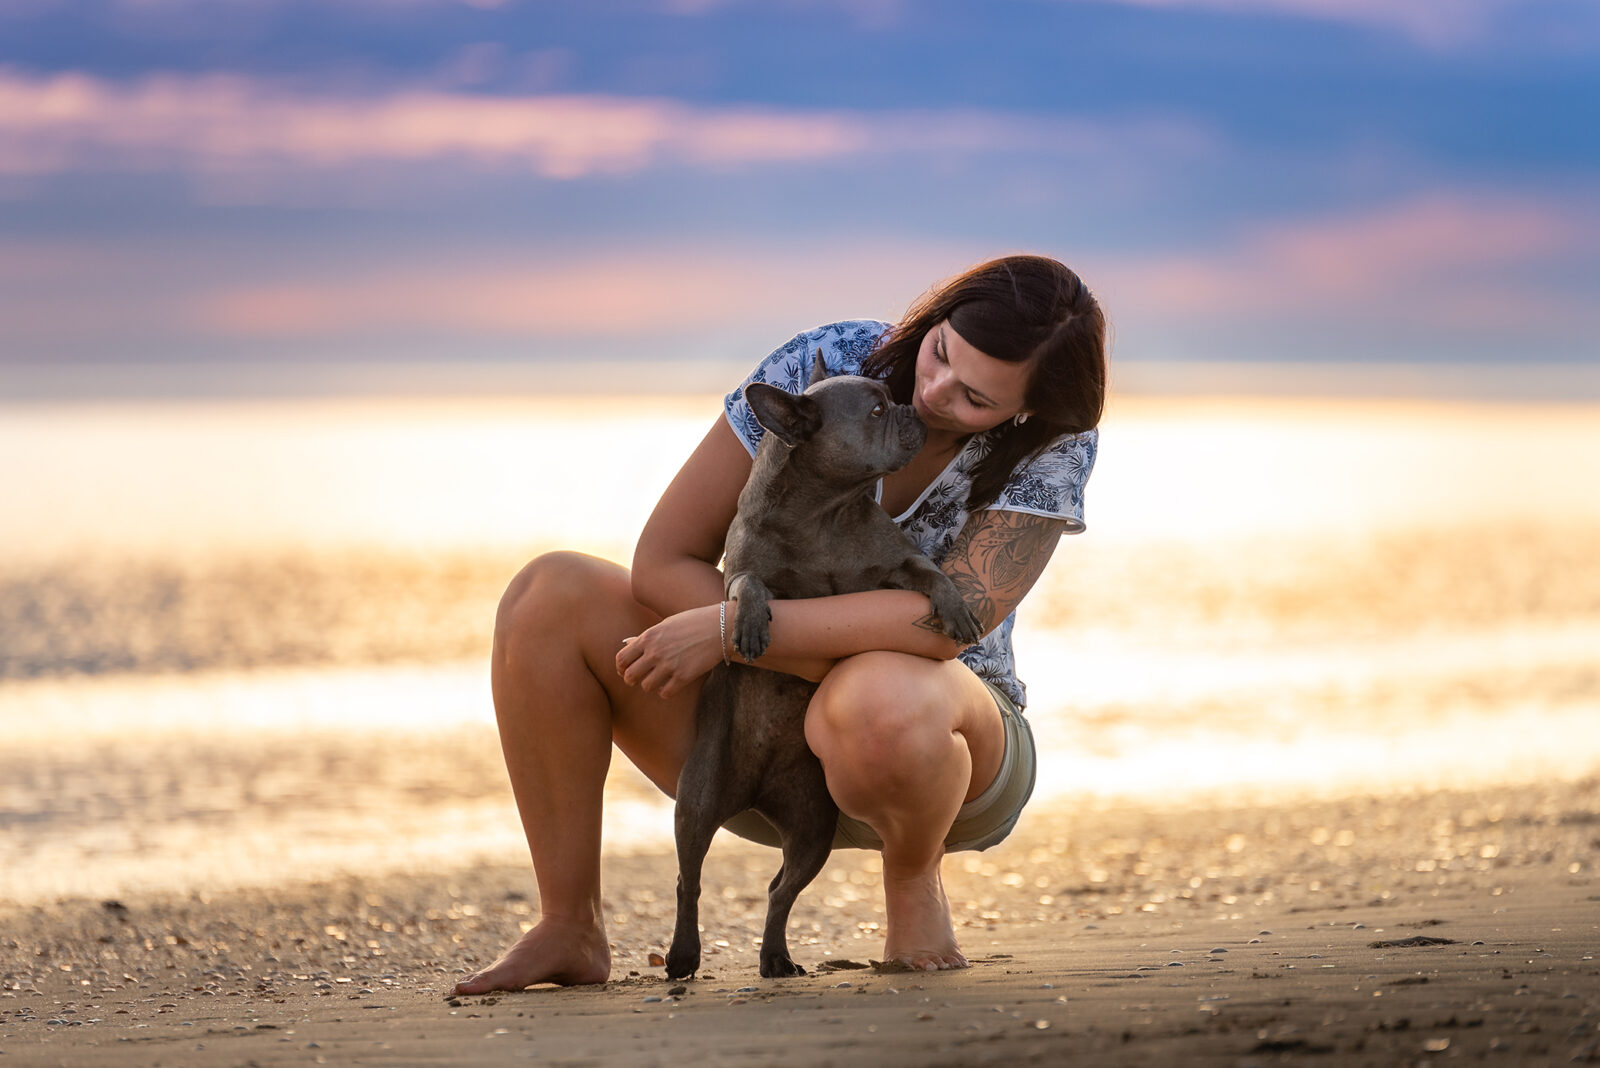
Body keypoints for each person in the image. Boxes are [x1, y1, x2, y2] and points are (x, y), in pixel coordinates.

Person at [454, 254, 1106, 993]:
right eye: (940, 353)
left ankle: (913, 884)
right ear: (938, 316)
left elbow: (944, 625)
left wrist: (735, 629)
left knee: (878, 689)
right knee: (549, 596)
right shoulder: (825, 365)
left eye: (974, 399)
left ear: (1026, 411)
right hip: (759, 738)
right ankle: (567, 926)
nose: (931, 392)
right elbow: (664, 559)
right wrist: (745, 633)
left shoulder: (1057, 440)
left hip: (939, 747)